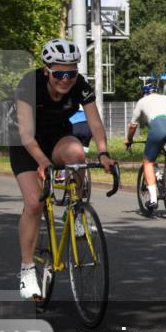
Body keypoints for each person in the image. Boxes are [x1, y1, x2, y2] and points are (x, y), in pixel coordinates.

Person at [10, 39, 116, 299]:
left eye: (71, 72)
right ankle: (26, 270)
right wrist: (43, 161)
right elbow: (25, 133)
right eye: (59, 73)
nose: (66, 79)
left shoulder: (79, 85)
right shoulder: (29, 84)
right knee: (34, 203)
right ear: (46, 70)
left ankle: (77, 210)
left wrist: (103, 153)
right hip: (25, 142)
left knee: (77, 153)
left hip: (57, 137)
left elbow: (95, 122)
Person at [124, 83, 166, 210]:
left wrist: (129, 139)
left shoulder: (142, 101)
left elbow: (133, 126)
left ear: (144, 93)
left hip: (158, 126)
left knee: (148, 162)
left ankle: (153, 199)